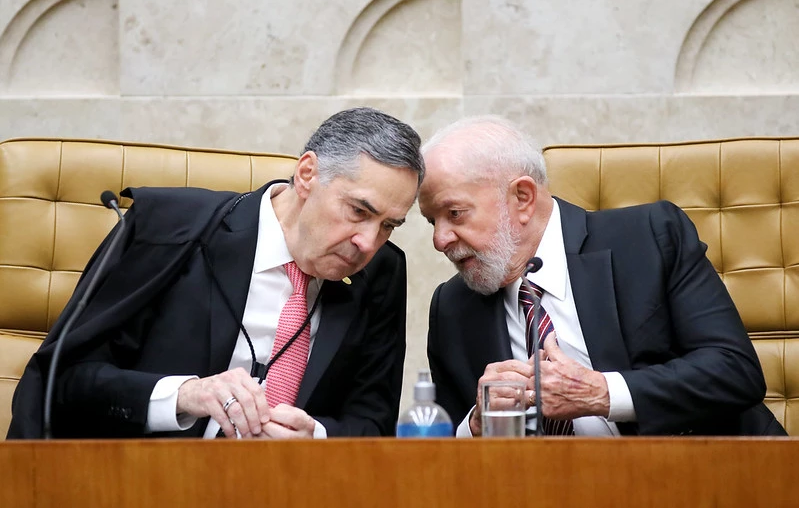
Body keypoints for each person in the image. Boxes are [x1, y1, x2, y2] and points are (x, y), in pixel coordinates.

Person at [7, 107, 424, 440]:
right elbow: (63, 381)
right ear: (307, 175)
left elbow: (373, 422)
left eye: (389, 226)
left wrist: (316, 437)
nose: (368, 242)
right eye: (359, 211)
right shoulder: (169, 229)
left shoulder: (381, 273)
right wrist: (184, 395)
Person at [419, 115, 786, 437]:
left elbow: (734, 372)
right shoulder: (452, 307)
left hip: (710, 473)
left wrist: (602, 393)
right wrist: (476, 425)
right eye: (431, 220)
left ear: (523, 198)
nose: (440, 239)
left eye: (455, 213)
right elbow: (444, 450)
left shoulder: (648, 240)